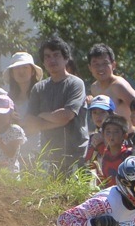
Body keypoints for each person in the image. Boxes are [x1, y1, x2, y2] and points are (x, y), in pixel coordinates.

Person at [24, 35, 88, 172]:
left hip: (75, 156)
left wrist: (42, 115)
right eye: (47, 56)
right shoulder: (38, 88)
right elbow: (29, 123)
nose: (51, 60)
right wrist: (56, 121)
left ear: (66, 58)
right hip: (48, 158)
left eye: (56, 55)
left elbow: (66, 116)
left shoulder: (76, 83)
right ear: (43, 62)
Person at [87, 43, 135, 124]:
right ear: (90, 67)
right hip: (106, 135)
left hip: (127, 135)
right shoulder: (94, 87)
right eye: (96, 64)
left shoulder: (119, 85)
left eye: (105, 63)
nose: (100, 68)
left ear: (113, 65)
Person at [93, 115, 132, 187]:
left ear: (124, 136)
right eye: (108, 132)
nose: (111, 135)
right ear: (103, 135)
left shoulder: (128, 156)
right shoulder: (102, 155)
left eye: (116, 132)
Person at [0, 94, 26, 172]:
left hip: (10, 174)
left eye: (3, 114)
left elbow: (11, 153)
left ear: (11, 114)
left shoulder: (15, 130)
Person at [84, 95, 116, 171]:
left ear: (111, 114)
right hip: (100, 179)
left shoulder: (118, 135)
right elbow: (88, 163)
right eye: (94, 112)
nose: (98, 116)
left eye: (102, 112)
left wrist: (103, 142)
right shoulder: (93, 137)